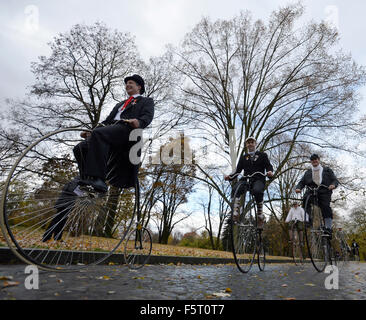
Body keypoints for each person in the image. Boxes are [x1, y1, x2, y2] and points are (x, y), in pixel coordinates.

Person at [42, 74, 154, 242]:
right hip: (111, 132)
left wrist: (138, 122)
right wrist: (92, 132)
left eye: (131, 83)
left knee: (100, 135)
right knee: (80, 147)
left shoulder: (146, 101)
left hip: (128, 132)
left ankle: (99, 180)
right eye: (126, 84)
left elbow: (147, 116)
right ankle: (87, 177)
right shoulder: (119, 105)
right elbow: (106, 122)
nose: (127, 85)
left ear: (139, 87)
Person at [224, 137, 274, 229]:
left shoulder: (262, 155)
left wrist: (270, 172)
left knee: (257, 191)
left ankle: (260, 216)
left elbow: (268, 166)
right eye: (248, 143)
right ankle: (235, 213)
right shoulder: (244, 157)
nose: (250, 144)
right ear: (246, 145)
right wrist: (230, 177)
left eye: (252, 142)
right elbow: (238, 170)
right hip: (246, 179)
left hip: (258, 178)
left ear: (255, 144)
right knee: (236, 188)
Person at [295, 154, 339, 236]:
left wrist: (333, 185)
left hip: (324, 191)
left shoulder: (327, 170)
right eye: (312, 160)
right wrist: (298, 188)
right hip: (312, 191)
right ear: (311, 162)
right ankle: (307, 220)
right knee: (305, 199)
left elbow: (335, 180)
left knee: (325, 207)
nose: (314, 161)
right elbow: (301, 182)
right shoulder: (308, 172)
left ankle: (328, 227)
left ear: (319, 160)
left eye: (316, 159)